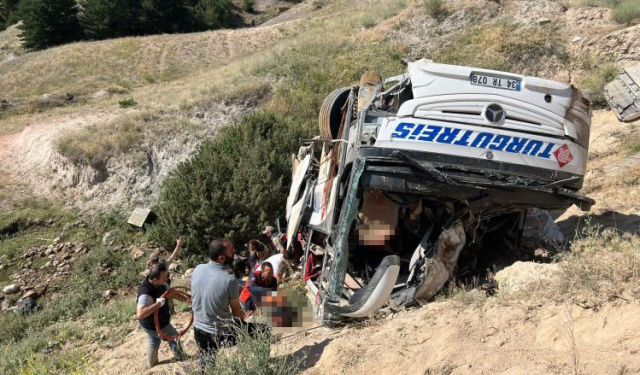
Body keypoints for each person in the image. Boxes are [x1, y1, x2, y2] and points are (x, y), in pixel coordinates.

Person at [191, 239, 247, 362]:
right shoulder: (229, 279)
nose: (234, 253)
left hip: (198, 329)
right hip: (219, 334)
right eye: (231, 251)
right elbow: (237, 314)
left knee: (207, 361)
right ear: (221, 258)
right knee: (263, 330)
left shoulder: (198, 268)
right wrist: (246, 312)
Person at [136, 263, 187, 368]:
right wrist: (158, 304)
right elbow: (140, 314)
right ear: (155, 280)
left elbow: (171, 293)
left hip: (159, 321)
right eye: (165, 277)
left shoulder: (161, 283)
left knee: (154, 340)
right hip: (152, 324)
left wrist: (187, 299)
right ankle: (181, 356)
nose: (167, 278)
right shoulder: (145, 292)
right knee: (173, 336)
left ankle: (151, 363)